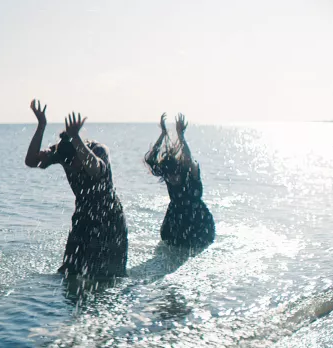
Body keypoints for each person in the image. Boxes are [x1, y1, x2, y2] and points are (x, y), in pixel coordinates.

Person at [23, 100, 128, 278]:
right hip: (83, 217)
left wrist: (76, 138)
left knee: (110, 276)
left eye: (75, 162)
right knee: (70, 272)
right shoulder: (62, 153)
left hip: (109, 220)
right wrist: (41, 126)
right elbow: (31, 161)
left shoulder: (98, 150)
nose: (72, 167)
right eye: (68, 164)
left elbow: (95, 169)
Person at [145, 113, 215, 248]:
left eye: (174, 175)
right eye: (168, 176)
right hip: (175, 220)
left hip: (198, 220)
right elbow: (151, 159)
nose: (171, 178)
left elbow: (188, 159)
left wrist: (181, 135)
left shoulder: (191, 173)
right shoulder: (167, 175)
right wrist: (163, 134)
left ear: (180, 171)